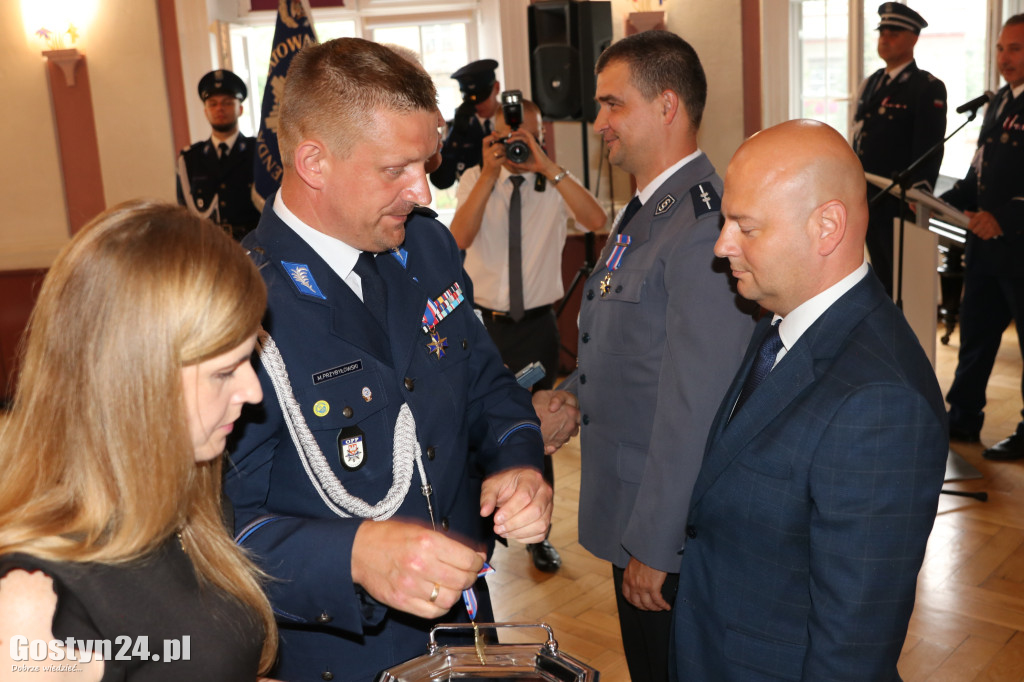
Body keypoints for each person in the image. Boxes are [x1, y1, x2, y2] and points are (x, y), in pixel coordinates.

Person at [225, 38, 557, 682]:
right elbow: (216, 531)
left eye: (426, 164)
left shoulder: (426, 250)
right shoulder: (240, 301)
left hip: (465, 630)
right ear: (314, 162)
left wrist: (519, 464)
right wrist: (351, 555)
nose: (424, 193)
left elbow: (489, 390)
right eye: (396, 170)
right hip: (339, 654)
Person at [671, 120, 948, 681]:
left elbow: (853, 645)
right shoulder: (784, 319)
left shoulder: (880, 401)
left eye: (744, 227)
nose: (722, 245)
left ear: (826, 227)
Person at [542, 30, 757, 682]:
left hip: (663, 528)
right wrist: (573, 396)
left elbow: (695, 403)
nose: (599, 123)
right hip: (628, 505)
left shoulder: (698, 226)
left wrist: (656, 545)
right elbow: (629, 350)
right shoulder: (646, 214)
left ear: (667, 106)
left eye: (613, 105)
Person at [0, 201, 278, 681]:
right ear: (134, 384)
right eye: (224, 372)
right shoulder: (34, 598)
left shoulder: (185, 499)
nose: (252, 392)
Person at [450, 97, 606, 572]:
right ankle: (477, 529)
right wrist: (488, 172)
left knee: (539, 430)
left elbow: (598, 221)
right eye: (506, 136)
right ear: (490, 136)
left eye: (529, 134)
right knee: (474, 426)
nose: (518, 143)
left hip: (536, 326)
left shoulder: (553, 182)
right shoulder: (473, 181)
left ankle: (540, 533)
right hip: (485, 329)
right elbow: (457, 237)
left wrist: (546, 166)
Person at [942, 15, 1024, 460]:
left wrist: (1004, 217)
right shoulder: (998, 104)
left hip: (1018, 247)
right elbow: (981, 169)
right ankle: (963, 419)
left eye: (1015, 48)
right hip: (984, 249)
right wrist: (943, 196)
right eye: (1000, 48)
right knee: (976, 335)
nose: (1005, 58)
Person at [852, 2, 947, 297]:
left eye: (894, 32)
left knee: (903, 286)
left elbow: (929, 149)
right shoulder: (872, 83)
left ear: (914, 38)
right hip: (868, 197)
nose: (885, 38)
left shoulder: (926, 87)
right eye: (882, 31)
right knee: (878, 279)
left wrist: (919, 194)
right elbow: (859, 138)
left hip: (899, 202)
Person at [176, 69, 262, 240]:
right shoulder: (190, 159)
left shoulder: (259, 152)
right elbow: (185, 213)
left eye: (227, 102)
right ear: (205, 111)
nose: (220, 108)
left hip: (254, 249)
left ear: (240, 109)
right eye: (213, 104)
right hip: (210, 249)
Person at [429, 59, 501, 189]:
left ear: (496, 87)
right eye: (470, 99)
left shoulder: (516, 120)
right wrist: (456, 134)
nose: (477, 104)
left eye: (482, 97)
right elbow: (441, 181)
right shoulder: (455, 127)